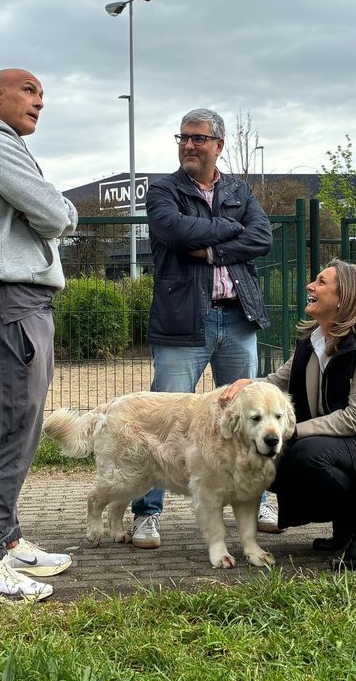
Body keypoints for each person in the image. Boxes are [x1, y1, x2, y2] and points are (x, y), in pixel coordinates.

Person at [0, 68, 79, 604]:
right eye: (29, 91)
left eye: (43, 95)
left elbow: (44, 214)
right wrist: (54, 209)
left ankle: (9, 538)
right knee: (14, 430)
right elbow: (55, 212)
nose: (39, 103)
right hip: (9, 302)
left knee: (15, 427)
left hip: (17, 303)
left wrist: (46, 212)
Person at [222, 259, 356, 570]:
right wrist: (245, 386)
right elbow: (279, 381)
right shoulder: (314, 339)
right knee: (270, 452)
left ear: (344, 297)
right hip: (350, 443)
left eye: (321, 282)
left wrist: (291, 431)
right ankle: (346, 529)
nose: (310, 286)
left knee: (306, 453)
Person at [130, 107, 277, 551]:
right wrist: (230, 229)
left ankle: (259, 500)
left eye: (198, 138)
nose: (188, 145)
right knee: (165, 421)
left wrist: (211, 251)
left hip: (237, 317)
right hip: (182, 322)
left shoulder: (238, 189)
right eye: (183, 138)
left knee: (249, 412)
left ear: (218, 145)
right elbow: (173, 231)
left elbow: (263, 236)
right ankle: (146, 515)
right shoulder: (164, 191)